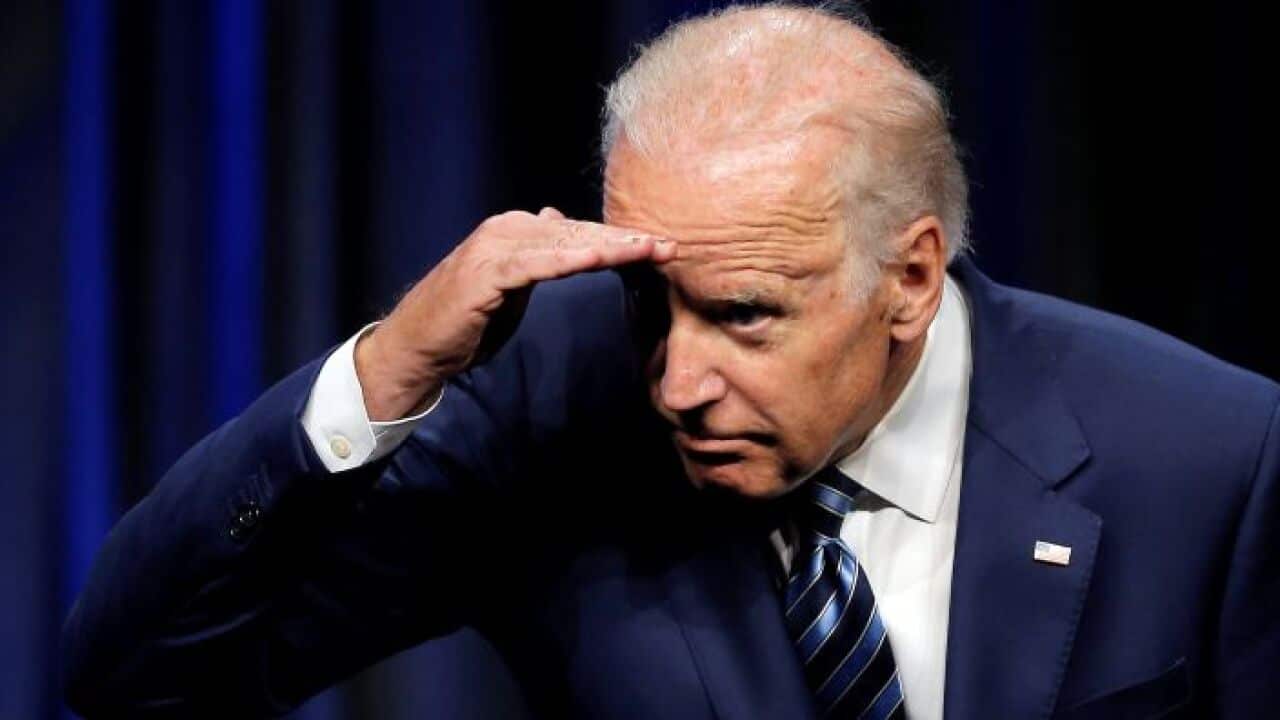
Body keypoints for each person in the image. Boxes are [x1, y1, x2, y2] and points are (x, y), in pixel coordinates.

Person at [62, 4, 1278, 719]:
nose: (675, 383)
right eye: (653, 303)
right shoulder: (554, 405)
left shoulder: (1206, 456)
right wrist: (383, 376)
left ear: (908, 278)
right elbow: (144, 681)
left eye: (744, 315)